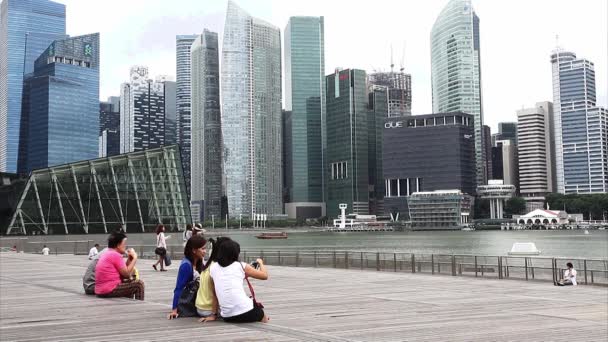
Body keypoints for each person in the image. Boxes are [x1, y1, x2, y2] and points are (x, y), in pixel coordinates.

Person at [210, 239, 269, 323]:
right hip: (246, 311)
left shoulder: (213, 268)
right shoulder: (241, 265)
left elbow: (215, 293)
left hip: (227, 316)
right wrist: (260, 263)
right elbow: (264, 276)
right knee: (262, 316)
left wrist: (213, 315)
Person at [168, 235, 209, 319]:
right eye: (202, 249)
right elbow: (179, 288)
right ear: (194, 250)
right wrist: (174, 310)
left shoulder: (199, 261)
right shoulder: (186, 265)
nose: (205, 251)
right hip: (191, 302)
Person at [95, 231, 144, 300]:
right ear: (118, 245)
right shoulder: (116, 255)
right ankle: (140, 306)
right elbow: (126, 274)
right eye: (124, 244)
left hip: (100, 290)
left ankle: (129, 304)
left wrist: (130, 258)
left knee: (130, 281)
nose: (125, 246)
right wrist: (135, 258)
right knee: (139, 284)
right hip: (108, 289)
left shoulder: (108, 252)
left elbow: (123, 271)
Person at [196, 237, 231, 322]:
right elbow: (216, 293)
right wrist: (213, 315)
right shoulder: (217, 268)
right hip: (209, 309)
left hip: (200, 306)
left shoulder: (208, 264)